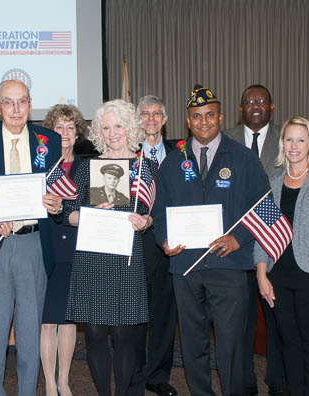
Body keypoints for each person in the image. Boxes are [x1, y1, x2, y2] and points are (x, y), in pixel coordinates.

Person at [152, 85, 270, 396]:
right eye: (196, 117)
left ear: (220, 117)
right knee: (192, 342)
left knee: (231, 344)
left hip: (228, 265)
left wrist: (239, 238)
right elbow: (158, 211)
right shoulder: (173, 161)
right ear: (188, 121)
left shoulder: (243, 158)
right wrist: (164, 239)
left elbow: (265, 208)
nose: (204, 122)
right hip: (185, 266)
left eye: (209, 115)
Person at [0, 79, 63, 396]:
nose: (15, 109)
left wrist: (57, 203)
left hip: (33, 243)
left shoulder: (50, 140)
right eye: (8, 102)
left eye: (21, 101)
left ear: (30, 104)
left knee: (31, 334)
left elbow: (56, 190)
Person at [64, 99, 156, 396]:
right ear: (98, 132)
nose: (112, 132)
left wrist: (145, 222)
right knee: (93, 333)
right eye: (106, 127)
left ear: (129, 127)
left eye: (118, 125)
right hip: (93, 258)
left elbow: (156, 212)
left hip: (127, 259)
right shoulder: (87, 167)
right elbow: (69, 214)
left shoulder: (146, 168)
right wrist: (90, 215)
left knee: (124, 334)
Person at [255, 117, 309, 395]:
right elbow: (262, 232)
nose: (294, 146)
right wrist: (261, 274)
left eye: (301, 140)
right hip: (279, 277)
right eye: (289, 139)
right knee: (288, 343)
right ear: (282, 143)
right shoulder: (274, 181)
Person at [224, 84, 285, 396]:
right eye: (249, 101)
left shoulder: (287, 138)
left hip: (275, 242)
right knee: (242, 321)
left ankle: (278, 380)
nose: (256, 105)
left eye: (261, 101)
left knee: (278, 319)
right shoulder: (226, 140)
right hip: (238, 244)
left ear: (272, 106)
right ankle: (245, 382)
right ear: (240, 108)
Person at [127, 95, 178, 396]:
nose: (150, 119)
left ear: (165, 119)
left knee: (164, 316)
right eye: (144, 114)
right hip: (137, 245)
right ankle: (134, 374)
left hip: (171, 246)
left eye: (156, 113)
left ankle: (157, 377)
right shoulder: (128, 156)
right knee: (134, 315)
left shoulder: (181, 155)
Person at [40, 104, 87, 396]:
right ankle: (48, 381)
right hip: (46, 244)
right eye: (59, 127)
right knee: (47, 319)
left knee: (68, 319)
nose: (66, 133)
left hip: (77, 246)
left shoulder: (86, 167)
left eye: (71, 127)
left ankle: (65, 379)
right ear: (50, 132)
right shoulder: (40, 166)